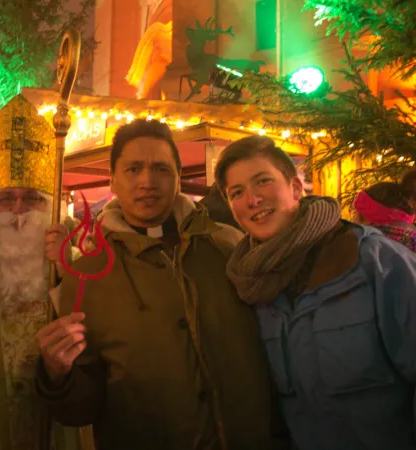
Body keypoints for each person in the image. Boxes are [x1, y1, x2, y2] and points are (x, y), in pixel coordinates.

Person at [36, 119, 287, 449]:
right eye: (133, 169)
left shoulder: (229, 248)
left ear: (178, 178)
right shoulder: (84, 279)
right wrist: (58, 374)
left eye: (161, 169)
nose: (147, 182)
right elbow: (82, 409)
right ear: (113, 179)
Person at [216, 135, 416, 450]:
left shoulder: (372, 260)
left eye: (263, 182)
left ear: (296, 187)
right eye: (236, 192)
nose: (252, 200)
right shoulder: (248, 283)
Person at [0, 95, 82, 450]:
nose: (18, 210)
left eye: (32, 198)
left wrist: (68, 270)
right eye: (6, 198)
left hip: (55, 424)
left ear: (49, 206)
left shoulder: (74, 263)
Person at [353, 181, 416, 251]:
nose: (353, 220)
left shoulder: (363, 250)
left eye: (356, 213)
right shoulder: (411, 244)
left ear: (367, 220)